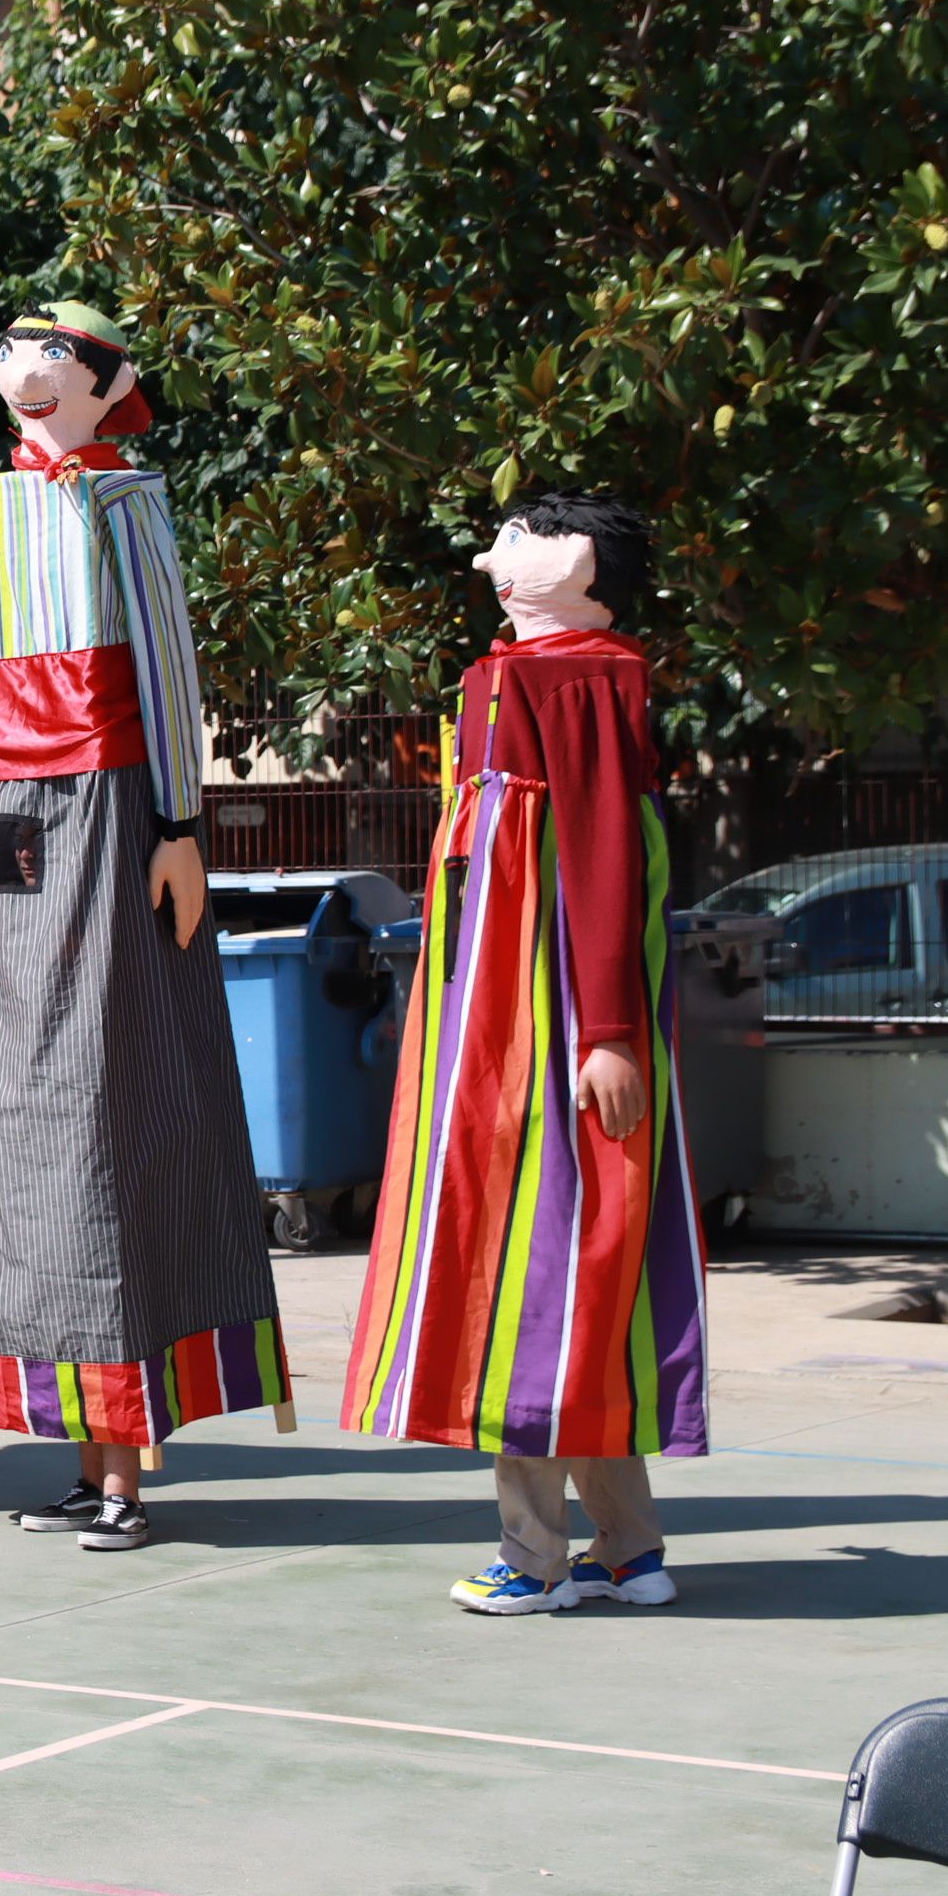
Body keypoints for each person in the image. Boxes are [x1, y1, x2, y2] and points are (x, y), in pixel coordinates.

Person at [0, 305, 284, 1555]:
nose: (27, 371)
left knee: (103, 1107)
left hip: (105, 806)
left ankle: (129, 1468)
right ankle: (84, 1452)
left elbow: (167, 663)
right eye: (12, 351)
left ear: (104, 381)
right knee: (16, 1119)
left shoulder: (124, 503)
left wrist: (178, 818)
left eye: (56, 355)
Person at [340, 492, 705, 1615]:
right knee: (572, 1276)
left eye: (528, 536)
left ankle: (536, 1556)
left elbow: (600, 857)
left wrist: (601, 1030)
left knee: (534, 1272)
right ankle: (627, 1548)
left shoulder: (582, 679)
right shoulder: (520, 671)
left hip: (542, 1022)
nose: (495, 556)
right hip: (505, 1012)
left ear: (591, 562)